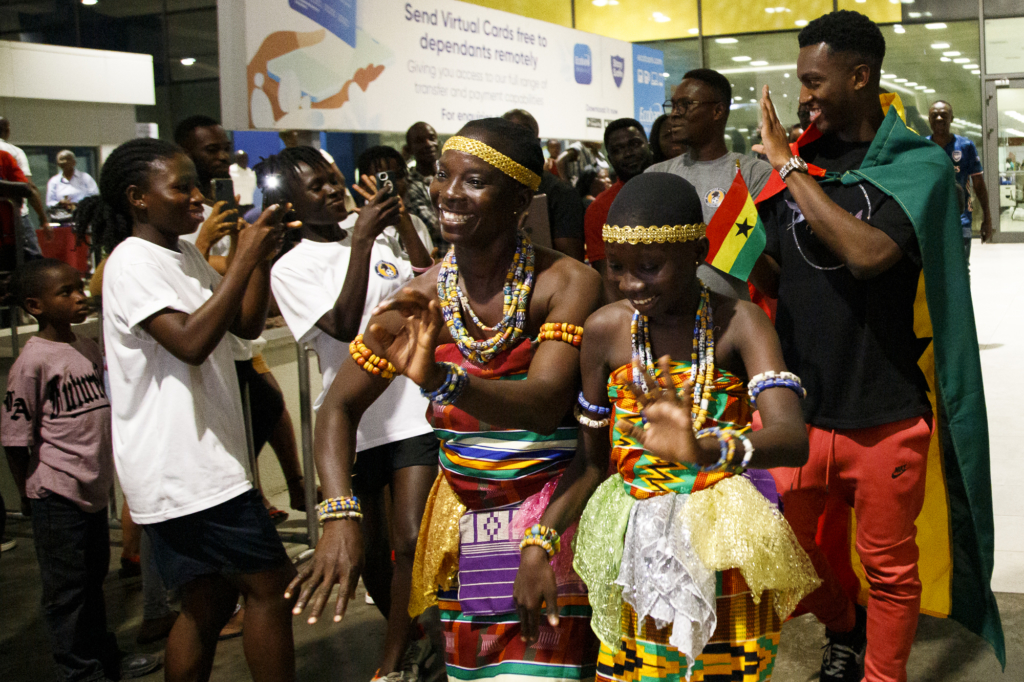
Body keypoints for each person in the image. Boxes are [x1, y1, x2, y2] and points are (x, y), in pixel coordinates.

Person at [286, 117, 604, 681]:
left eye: (475, 180)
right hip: (470, 523)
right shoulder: (420, 299)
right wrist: (339, 514)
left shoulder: (565, 282)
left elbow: (544, 403)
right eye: (442, 175)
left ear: (519, 199)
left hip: (555, 513)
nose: (449, 194)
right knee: (477, 674)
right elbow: (337, 408)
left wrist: (440, 382)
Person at [753, 11, 1002, 682]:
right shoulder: (800, 167)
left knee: (890, 568)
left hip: (885, 409)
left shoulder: (917, 166)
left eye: (814, 80)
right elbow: (775, 267)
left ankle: (881, 675)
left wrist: (787, 168)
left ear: (860, 76)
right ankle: (843, 625)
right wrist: (738, 223)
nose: (802, 95)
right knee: (794, 559)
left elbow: (868, 253)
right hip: (800, 412)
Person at [513, 172, 819, 682]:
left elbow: (791, 438)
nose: (632, 285)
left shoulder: (740, 322)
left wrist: (706, 452)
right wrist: (538, 541)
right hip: (634, 549)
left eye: (650, 268)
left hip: (725, 550)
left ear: (698, 251)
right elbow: (590, 463)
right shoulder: (605, 332)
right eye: (617, 269)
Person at [75, 137, 297, 682]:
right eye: (181, 186)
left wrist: (259, 259)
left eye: (197, 183)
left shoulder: (184, 253)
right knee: (271, 588)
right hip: (186, 467)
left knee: (207, 605)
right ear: (137, 198)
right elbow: (191, 341)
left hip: (195, 462)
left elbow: (242, 325)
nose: (197, 197)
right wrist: (242, 257)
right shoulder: (131, 262)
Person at [264, 145, 435, 681]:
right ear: (293, 204)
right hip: (353, 423)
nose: (333, 190)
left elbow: (426, 278)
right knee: (377, 551)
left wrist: (400, 222)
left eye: (334, 179)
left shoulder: (381, 239)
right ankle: (412, 640)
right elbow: (340, 324)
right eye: (316, 187)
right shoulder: (290, 269)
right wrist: (359, 241)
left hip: (411, 410)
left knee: (410, 538)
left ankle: (392, 661)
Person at [1, 258, 161, 682]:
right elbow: (16, 439)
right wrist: (28, 496)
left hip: (90, 493)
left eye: (79, 288)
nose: (80, 297)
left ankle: (104, 658)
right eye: (65, 293)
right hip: (56, 495)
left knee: (92, 582)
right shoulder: (32, 362)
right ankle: (80, 670)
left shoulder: (87, 347)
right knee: (67, 592)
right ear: (35, 305)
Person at [175, 115, 308, 520]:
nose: (222, 156)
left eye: (223, 146)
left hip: (232, 340)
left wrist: (256, 255)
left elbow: (239, 300)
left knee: (267, 402)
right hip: (197, 351)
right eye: (209, 150)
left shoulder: (224, 200)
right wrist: (212, 243)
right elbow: (201, 271)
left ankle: (272, 490)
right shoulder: (163, 231)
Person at [647, 69, 775, 300]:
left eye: (685, 105)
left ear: (717, 111)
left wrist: (736, 237)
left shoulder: (753, 174)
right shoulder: (655, 177)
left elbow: (772, 283)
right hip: (664, 320)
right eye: (673, 105)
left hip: (730, 324)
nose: (674, 114)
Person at [502, 109, 587, 261]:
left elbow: (571, 261)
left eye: (523, 134)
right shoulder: (489, 190)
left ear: (537, 142)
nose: (515, 140)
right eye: (506, 134)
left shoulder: (561, 193)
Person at [582, 118, 655, 285]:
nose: (628, 153)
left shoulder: (676, 188)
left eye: (635, 144)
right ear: (610, 158)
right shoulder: (599, 209)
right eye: (618, 149)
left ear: (649, 145)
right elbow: (608, 280)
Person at [927, 100, 992, 260]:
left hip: (961, 221)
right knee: (933, 270)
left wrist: (987, 218)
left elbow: (979, 185)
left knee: (961, 269)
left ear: (952, 118)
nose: (939, 118)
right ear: (929, 119)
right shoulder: (923, 147)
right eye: (935, 115)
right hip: (930, 221)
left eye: (944, 115)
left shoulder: (965, 146)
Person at [356, 145, 435, 257]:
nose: (391, 185)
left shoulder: (415, 223)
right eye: (383, 179)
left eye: (397, 176)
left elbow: (428, 270)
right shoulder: (351, 226)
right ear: (363, 184)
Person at [0, 116, 51, 254]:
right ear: (7, 131)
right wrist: (43, 219)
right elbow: (29, 188)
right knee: (33, 263)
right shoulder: (12, 153)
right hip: (14, 218)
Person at [403, 121, 441, 245]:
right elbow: (436, 227)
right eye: (419, 141)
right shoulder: (410, 185)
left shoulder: (451, 177)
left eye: (432, 138)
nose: (428, 144)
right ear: (409, 149)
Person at [45, 150, 99, 222]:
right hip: (61, 218)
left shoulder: (85, 177)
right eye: (61, 161)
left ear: (74, 162)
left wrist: (78, 204)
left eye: (67, 160)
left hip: (84, 217)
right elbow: (50, 202)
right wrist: (60, 203)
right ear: (58, 164)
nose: (64, 162)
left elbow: (95, 197)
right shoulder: (54, 181)